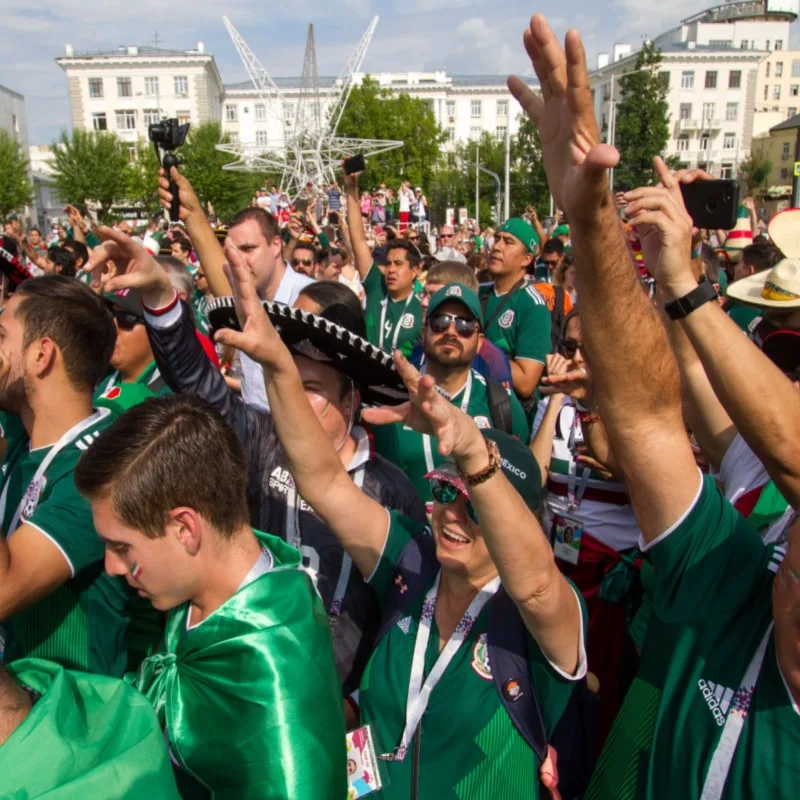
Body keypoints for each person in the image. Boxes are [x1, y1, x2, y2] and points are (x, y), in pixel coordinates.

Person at [507, 13, 800, 797]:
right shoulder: (740, 570)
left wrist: (691, 292)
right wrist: (596, 221)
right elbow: (650, 415)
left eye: (790, 347)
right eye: (774, 344)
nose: (775, 363)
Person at [212, 239, 587, 799]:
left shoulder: (540, 619)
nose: (452, 516)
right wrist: (279, 369)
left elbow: (533, 585)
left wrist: (471, 452)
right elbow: (323, 481)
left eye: (476, 508)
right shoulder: (413, 560)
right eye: (448, 497)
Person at [101, 234, 424, 715]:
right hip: (249, 685)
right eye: (284, 381)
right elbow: (197, 385)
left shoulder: (390, 490)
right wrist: (160, 300)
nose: (288, 399)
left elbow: (406, 617)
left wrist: (358, 703)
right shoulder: (261, 441)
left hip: (337, 712)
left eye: (309, 387)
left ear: (350, 400)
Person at [73, 393, 346, 799]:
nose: (112, 566)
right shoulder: (193, 595)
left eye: (123, 547)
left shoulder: (276, 685)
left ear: (185, 528)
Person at [0, 274, 130, 676]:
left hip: (65, 719)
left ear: (42, 356)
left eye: (1, 334)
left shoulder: (100, 469)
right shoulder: (26, 434)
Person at [532, 311, 642, 748]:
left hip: (610, 570)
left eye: (588, 348)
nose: (576, 356)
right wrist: (561, 398)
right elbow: (535, 474)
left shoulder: (636, 406)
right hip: (556, 559)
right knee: (551, 669)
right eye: (569, 348)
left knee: (599, 681)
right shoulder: (553, 402)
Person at [157, 167, 313, 412]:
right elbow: (219, 272)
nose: (238, 260)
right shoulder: (245, 297)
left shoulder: (310, 301)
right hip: (255, 435)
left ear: (275, 246)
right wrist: (191, 211)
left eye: (248, 249)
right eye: (233, 252)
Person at [372, 282, 529, 511]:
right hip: (405, 537)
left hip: (472, 540)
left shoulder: (501, 402)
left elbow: (520, 486)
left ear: (480, 342)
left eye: (465, 325)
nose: (451, 332)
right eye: (440, 322)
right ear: (424, 332)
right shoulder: (392, 395)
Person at [346, 170, 423, 355]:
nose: (391, 270)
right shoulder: (376, 287)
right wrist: (351, 188)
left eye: (398, 264)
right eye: (388, 264)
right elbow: (358, 240)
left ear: (415, 271)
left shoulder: (424, 309)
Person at [480, 218, 552, 401]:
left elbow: (526, 383)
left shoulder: (533, 305)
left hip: (506, 414)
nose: (497, 247)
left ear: (526, 259)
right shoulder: (477, 291)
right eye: (497, 239)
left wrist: (477, 345)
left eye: (508, 242)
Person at [411, 260, 512, 385]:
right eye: (424, 294)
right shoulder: (419, 348)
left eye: (433, 295)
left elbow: (501, 402)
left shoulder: (491, 358)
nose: (424, 303)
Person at [94, 287, 170, 398]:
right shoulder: (103, 382)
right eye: (109, 315)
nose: (111, 327)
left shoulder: (173, 399)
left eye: (124, 318)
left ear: (156, 329)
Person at [723, 241, 783, 334]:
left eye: (739, 263)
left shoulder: (739, 312)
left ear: (750, 270)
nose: (735, 267)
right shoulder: (777, 312)